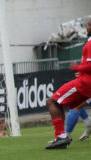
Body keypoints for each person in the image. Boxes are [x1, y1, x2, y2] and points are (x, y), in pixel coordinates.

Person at [45, 20, 91, 149]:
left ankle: (61, 136)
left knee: (51, 101)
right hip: (87, 84)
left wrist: (77, 67)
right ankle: (62, 137)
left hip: (84, 84)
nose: (86, 27)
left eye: (88, 25)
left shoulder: (90, 44)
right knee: (63, 104)